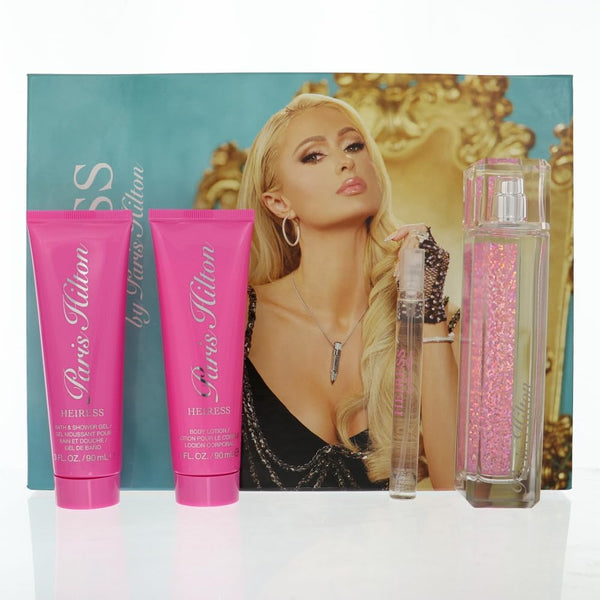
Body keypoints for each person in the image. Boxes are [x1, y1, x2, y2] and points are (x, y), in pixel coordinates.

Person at [236, 93, 459, 490]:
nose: (345, 161)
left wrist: (424, 306)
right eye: (313, 156)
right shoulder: (237, 316)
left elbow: (454, 495)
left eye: (353, 146)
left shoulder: (440, 321)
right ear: (279, 202)